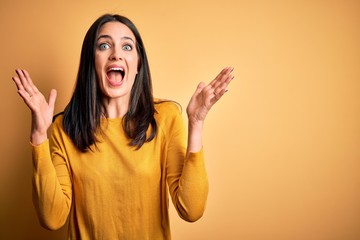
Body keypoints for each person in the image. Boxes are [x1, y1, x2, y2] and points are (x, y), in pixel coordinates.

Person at [12, 14, 234, 240]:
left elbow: (191, 209)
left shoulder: (166, 118)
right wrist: (39, 135)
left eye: (127, 46)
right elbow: (52, 218)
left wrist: (196, 124)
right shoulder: (65, 128)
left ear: (138, 65)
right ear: (92, 62)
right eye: (104, 45)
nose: (116, 54)